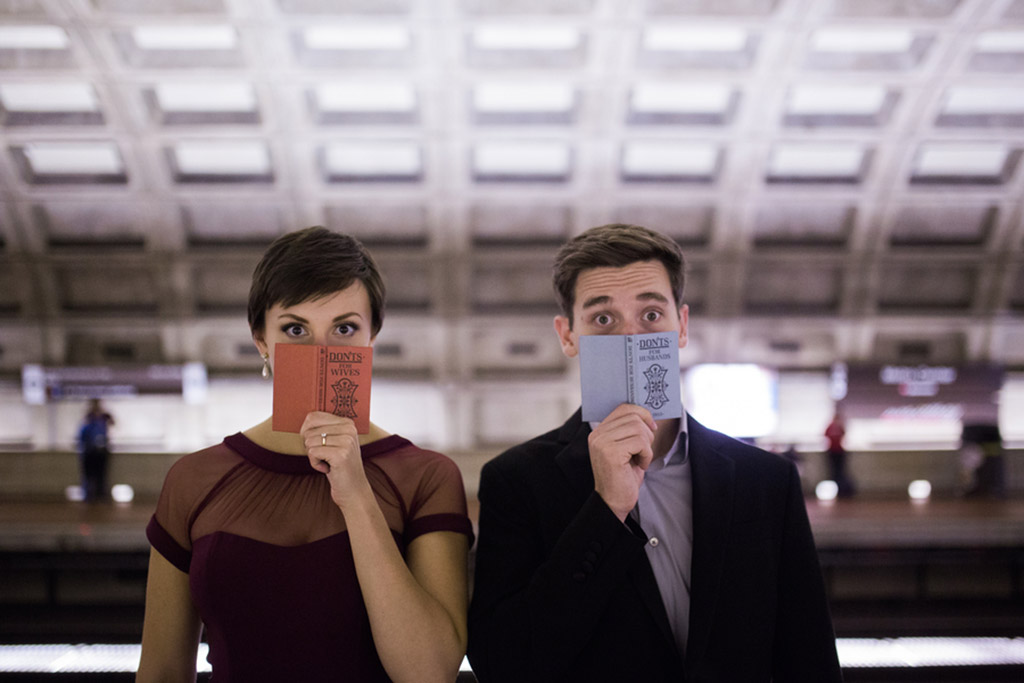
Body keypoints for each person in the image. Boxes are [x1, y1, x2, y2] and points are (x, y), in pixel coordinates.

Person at [467, 224, 842, 682]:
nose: (630, 339)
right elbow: (502, 664)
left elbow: (809, 657)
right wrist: (605, 511)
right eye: (603, 320)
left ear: (680, 326)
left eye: (650, 315)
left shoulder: (766, 481)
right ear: (568, 336)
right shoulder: (515, 481)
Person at [137, 227, 474, 683]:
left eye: (345, 328)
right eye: (295, 329)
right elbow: (161, 670)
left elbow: (429, 673)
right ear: (261, 341)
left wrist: (356, 493)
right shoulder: (194, 478)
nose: (322, 351)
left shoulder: (426, 477)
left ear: (371, 336)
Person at [77, 398, 114, 502]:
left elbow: (112, 423)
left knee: (101, 475)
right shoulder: (88, 419)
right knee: (89, 476)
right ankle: (89, 495)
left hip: (101, 452)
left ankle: (100, 495)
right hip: (90, 452)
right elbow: (83, 436)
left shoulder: (103, 418)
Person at [825, 409, 855, 498]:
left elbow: (844, 434)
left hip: (839, 451)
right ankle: (835, 490)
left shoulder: (840, 426)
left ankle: (842, 490)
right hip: (832, 452)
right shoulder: (830, 427)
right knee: (833, 471)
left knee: (840, 471)